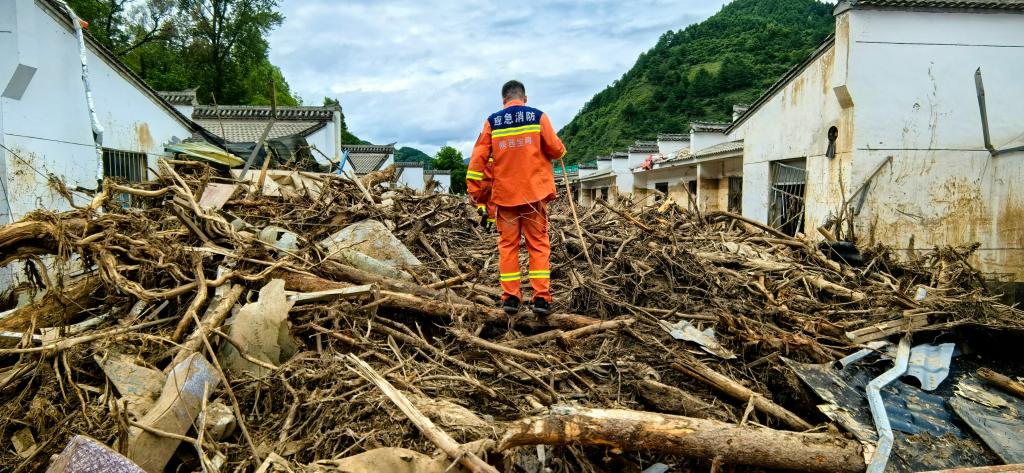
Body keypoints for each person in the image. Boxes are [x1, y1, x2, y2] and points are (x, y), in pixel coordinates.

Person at [466, 80, 567, 315]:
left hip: (505, 198)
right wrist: (561, 151)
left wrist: (474, 191)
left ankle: (511, 298)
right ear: (525, 98)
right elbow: (556, 150)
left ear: (504, 101)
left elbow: (478, 158)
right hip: (534, 196)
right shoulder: (538, 117)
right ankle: (541, 299)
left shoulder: (493, 122)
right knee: (538, 246)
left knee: (508, 247)